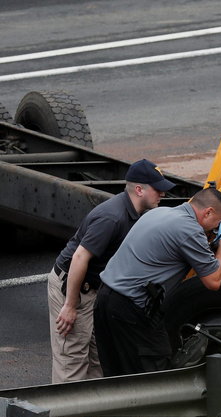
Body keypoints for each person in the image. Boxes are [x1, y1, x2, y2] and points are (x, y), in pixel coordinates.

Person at [48, 159, 175, 383]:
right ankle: (65, 416)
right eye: (158, 189)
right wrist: (70, 305)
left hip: (94, 290)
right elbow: (79, 258)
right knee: (72, 361)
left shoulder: (134, 214)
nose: (163, 194)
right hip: (74, 288)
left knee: (99, 359)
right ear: (139, 189)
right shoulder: (112, 217)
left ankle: (95, 415)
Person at [94, 187, 221, 376]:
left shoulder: (159, 212)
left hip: (105, 300)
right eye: (218, 222)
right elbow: (214, 281)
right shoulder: (189, 229)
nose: (217, 227)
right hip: (130, 309)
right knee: (153, 375)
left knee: (115, 375)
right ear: (208, 212)